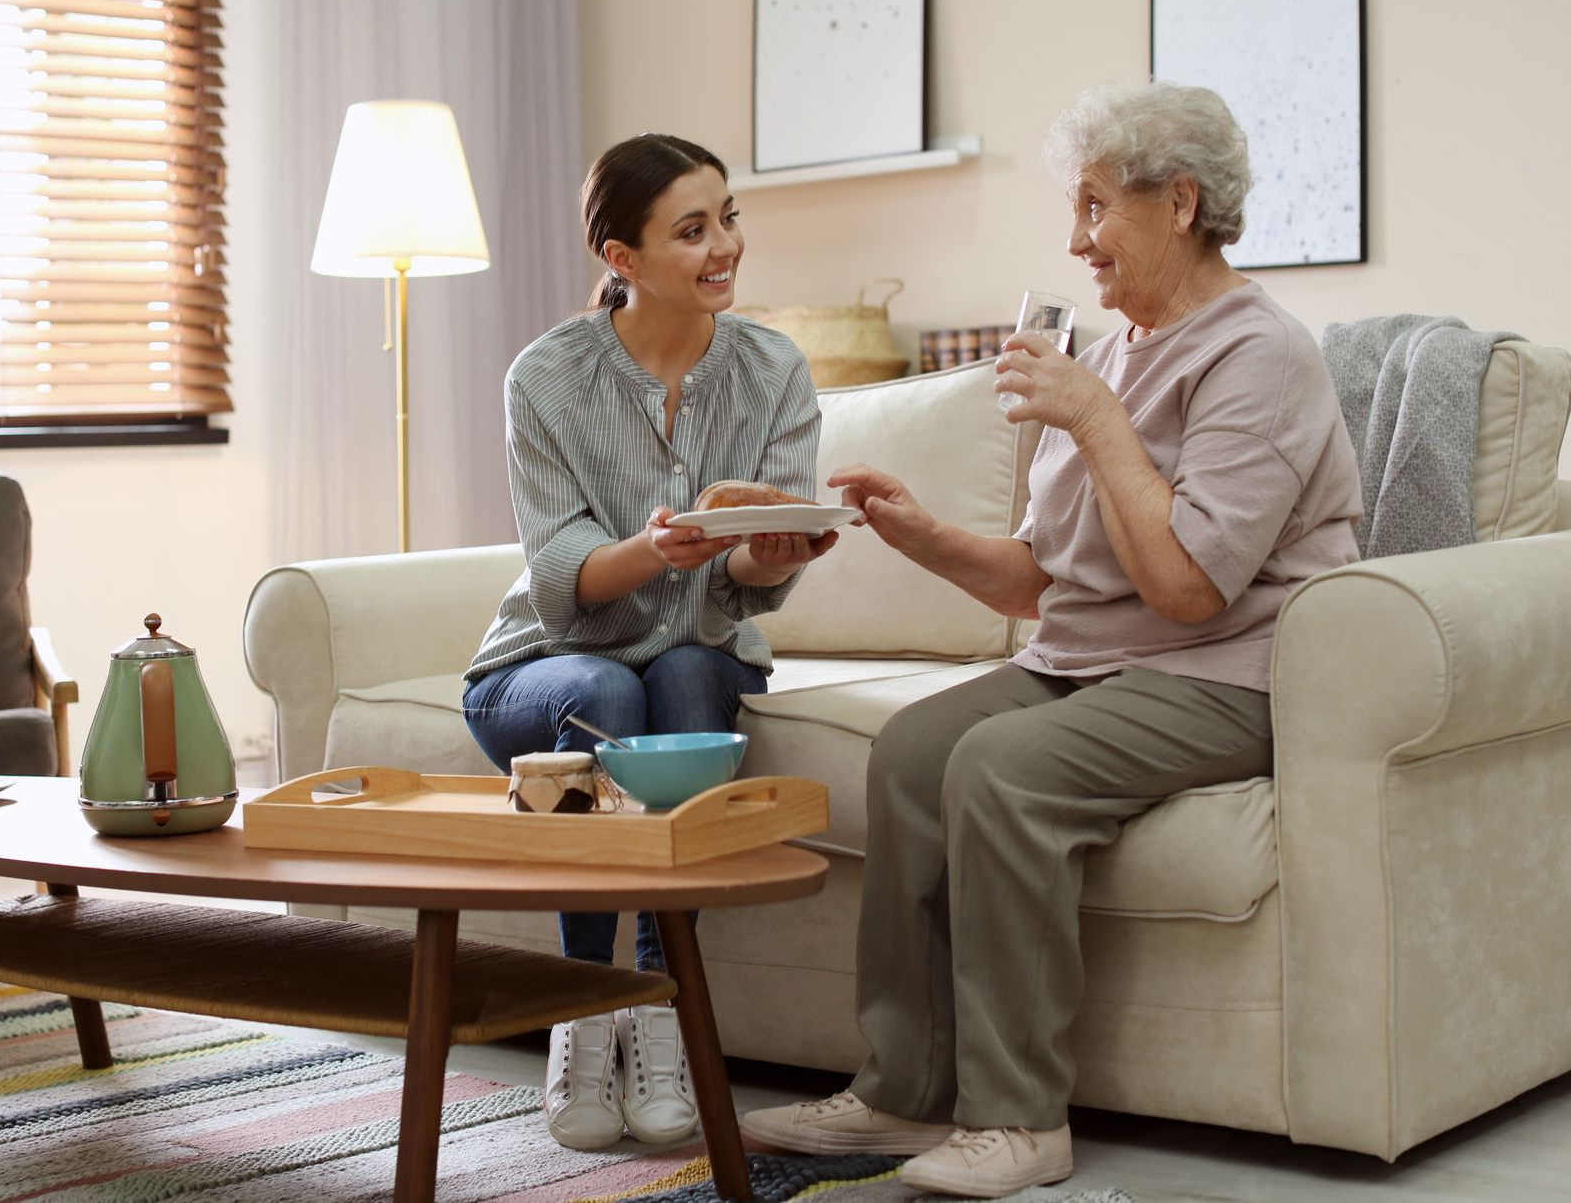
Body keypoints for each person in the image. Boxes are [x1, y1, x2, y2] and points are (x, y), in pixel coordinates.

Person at [742, 81, 1364, 1197]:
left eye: (1093, 208)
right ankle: (898, 1092)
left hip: (1223, 675)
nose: (1074, 240)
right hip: (1083, 664)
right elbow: (1041, 579)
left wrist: (1090, 418)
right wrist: (919, 533)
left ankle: (1019, 1121)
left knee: (1002, 767)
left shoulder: (1261, 356)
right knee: (916, 750)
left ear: (1179, 203)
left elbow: (1186, 591)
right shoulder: (1115, 353)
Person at [463, 133, 836, 1151]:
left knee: (682, 674)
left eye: (729, 218)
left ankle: (660, 1014)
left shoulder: (771, 369)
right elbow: (562, 580)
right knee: (613, 695)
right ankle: (588, 1013)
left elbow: (753, 585)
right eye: (692, 229)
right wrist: (658, 549)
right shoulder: (547, 378)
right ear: (621, 258)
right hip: (539, 670)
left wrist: (766, 552)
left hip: (695, 649)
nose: (725, 246)